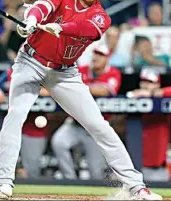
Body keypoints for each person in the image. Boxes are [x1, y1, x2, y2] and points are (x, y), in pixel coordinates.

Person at [0, 0, 162, 200]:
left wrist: (61, 27)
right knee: (15, 116)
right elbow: (41, 6)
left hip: (64, 73)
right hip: (30, 62)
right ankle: (3, 182)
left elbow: (85, 29)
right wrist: (30, 20)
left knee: (99, 126)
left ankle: (136, 187)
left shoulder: (102, 16)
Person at [51, 45, 121, 180]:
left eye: (100, 55)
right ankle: (69, 179)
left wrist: (80, 88)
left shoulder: (113, 72)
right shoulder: (81, 70)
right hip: (74, 123)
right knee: (59, 142)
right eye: (95, 54)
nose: (96, 57)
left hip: (95, 129)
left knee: (96, 172)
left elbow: (105, 90)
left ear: (107, 59)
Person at [126, 69, 171, 181]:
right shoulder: (134, 97)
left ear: (157, 84)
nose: (146, 85)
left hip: (157, 168)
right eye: (144, 82)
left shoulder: (163, 98)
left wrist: (153, 94)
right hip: (134, 165)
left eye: (150, 82)